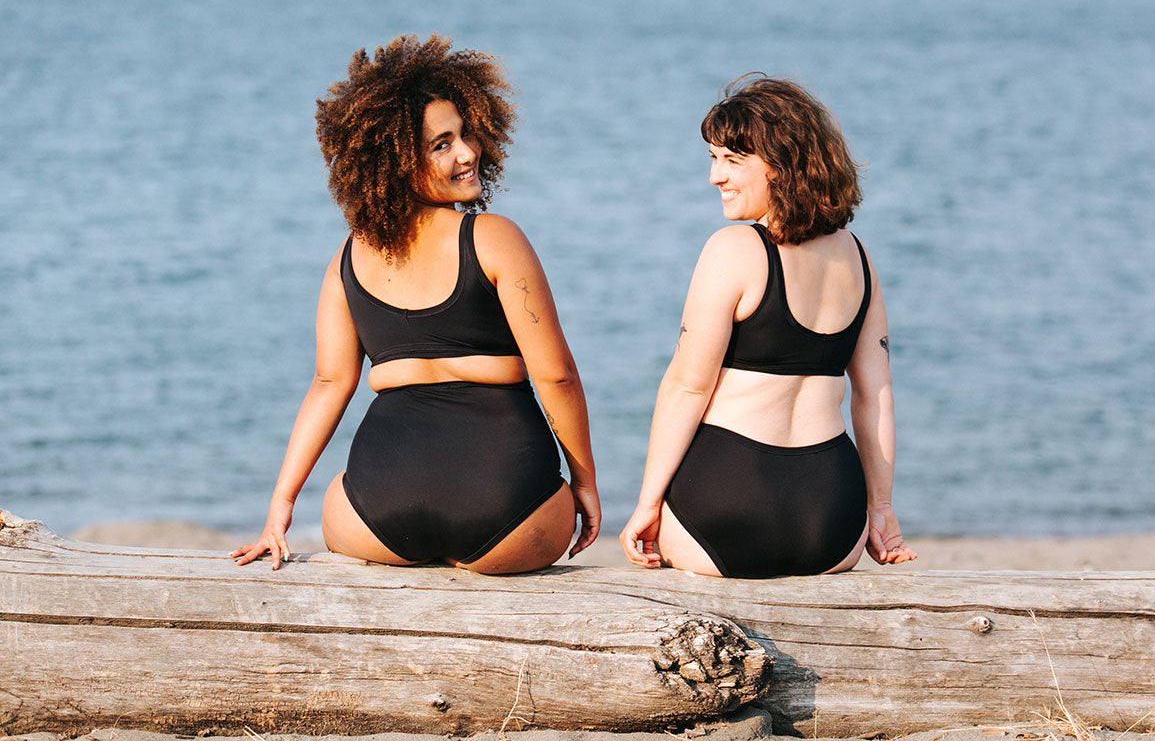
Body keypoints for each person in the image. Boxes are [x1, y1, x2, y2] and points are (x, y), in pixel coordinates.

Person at [234, 34, 600, 574]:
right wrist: (585, 483)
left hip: (377, 519)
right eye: (441, 144)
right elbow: (558, 377)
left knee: (340, 490)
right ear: (395, 162)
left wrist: (281, 506)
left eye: (465, 134)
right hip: (509, 512)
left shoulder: (347, 257)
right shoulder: (494, 237)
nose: (468, 152)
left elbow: (330, 384)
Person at [619, 76, 915, 578]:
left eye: (733, 161)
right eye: (714, 158)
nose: (715, 177)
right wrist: (880, 509)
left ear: (781, 166)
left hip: (730, 507)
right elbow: (876, 394)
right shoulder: (858, 257)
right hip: (832, 523)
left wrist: (648, 505)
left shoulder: (733, 249)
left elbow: (688, 386)